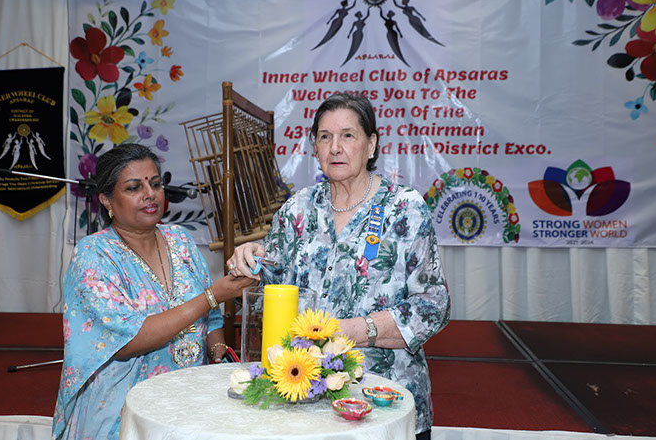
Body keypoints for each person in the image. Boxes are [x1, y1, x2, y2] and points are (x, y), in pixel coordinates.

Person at [228, 92, 450, 439]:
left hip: (383, 401)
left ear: (371, 144)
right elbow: (268, 283)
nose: (335, 147)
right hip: (304, 402)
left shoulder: (404, 208)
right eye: (324, 137)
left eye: (348, 135)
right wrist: (249, 259)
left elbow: (433, 306)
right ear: (314, 147)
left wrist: (347, 332)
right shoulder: (298, 208)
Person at [52, 144, 256, 440]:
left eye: (156, 184)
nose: (150, 194)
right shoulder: (94, 255)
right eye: (134, 187)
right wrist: (212, 295)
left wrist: (217, 349)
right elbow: (127, 340)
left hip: (188, 401)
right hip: (123, 410)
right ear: (106, 200)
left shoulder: (180, 240)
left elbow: (210, 317)